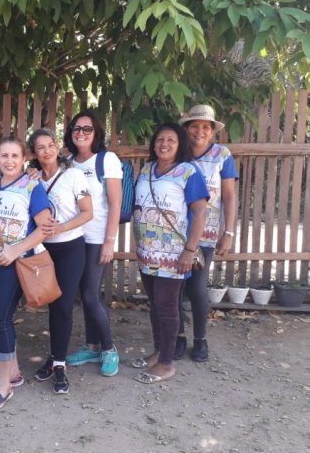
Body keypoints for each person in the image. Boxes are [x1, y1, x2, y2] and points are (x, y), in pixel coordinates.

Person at [0, 136, 52, 410]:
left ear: (24, 159)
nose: (9, 161)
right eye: (4, 156)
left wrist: (16, 250)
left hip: (13, 263)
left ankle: (3, 383)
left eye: (14, 156)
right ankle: (14, 372)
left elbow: (45, 228)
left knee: (0, 319)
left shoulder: (32, 186)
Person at [131, 123, 209, 384]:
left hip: (174, 254)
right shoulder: (146, 170)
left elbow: (200, 213)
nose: (164, 144)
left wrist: (189, 250)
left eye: (171, 140)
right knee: (155, 305)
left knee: (167, 306)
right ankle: (159, 351)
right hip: (147, 252)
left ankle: (166, 363)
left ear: (180, 145)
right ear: (154, 144)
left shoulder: (188, 172)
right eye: (160, 140)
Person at [27, 128, 93, 394]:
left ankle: (59, 364)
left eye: (51, 145)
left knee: (63, 305)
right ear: (34, 153)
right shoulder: (31, 179)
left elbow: (87, 213)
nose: (47, 150)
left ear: (58, 147)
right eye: (40, 147)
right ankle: (54, 357)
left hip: (70, 248)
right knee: (49, 302)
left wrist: (61, 229)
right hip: (42, 251)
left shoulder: (74, 175)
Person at [176, 105, 238, 361]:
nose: (199, 131)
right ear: (186, 129)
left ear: (212, 132)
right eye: (195, 125)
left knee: (198, 289)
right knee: (175, 288)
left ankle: (200, 339)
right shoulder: (178, 154)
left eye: (205, 127)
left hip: (206, 235)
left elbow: (230, 196)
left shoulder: (222, 155)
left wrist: (229, 232)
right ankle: (178, 337)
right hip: (174, 233)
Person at [63, 110, 122, 376]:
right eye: (77, 128)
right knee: (85, 295)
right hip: (74, 239)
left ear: (96, 133)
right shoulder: (68, 163)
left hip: (97, 238)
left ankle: (109, 349)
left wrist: (110, 241)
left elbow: (115, 203)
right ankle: (92, 346)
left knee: (89, 293)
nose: (81, 133)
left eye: (87, 129)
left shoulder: (106, 160)